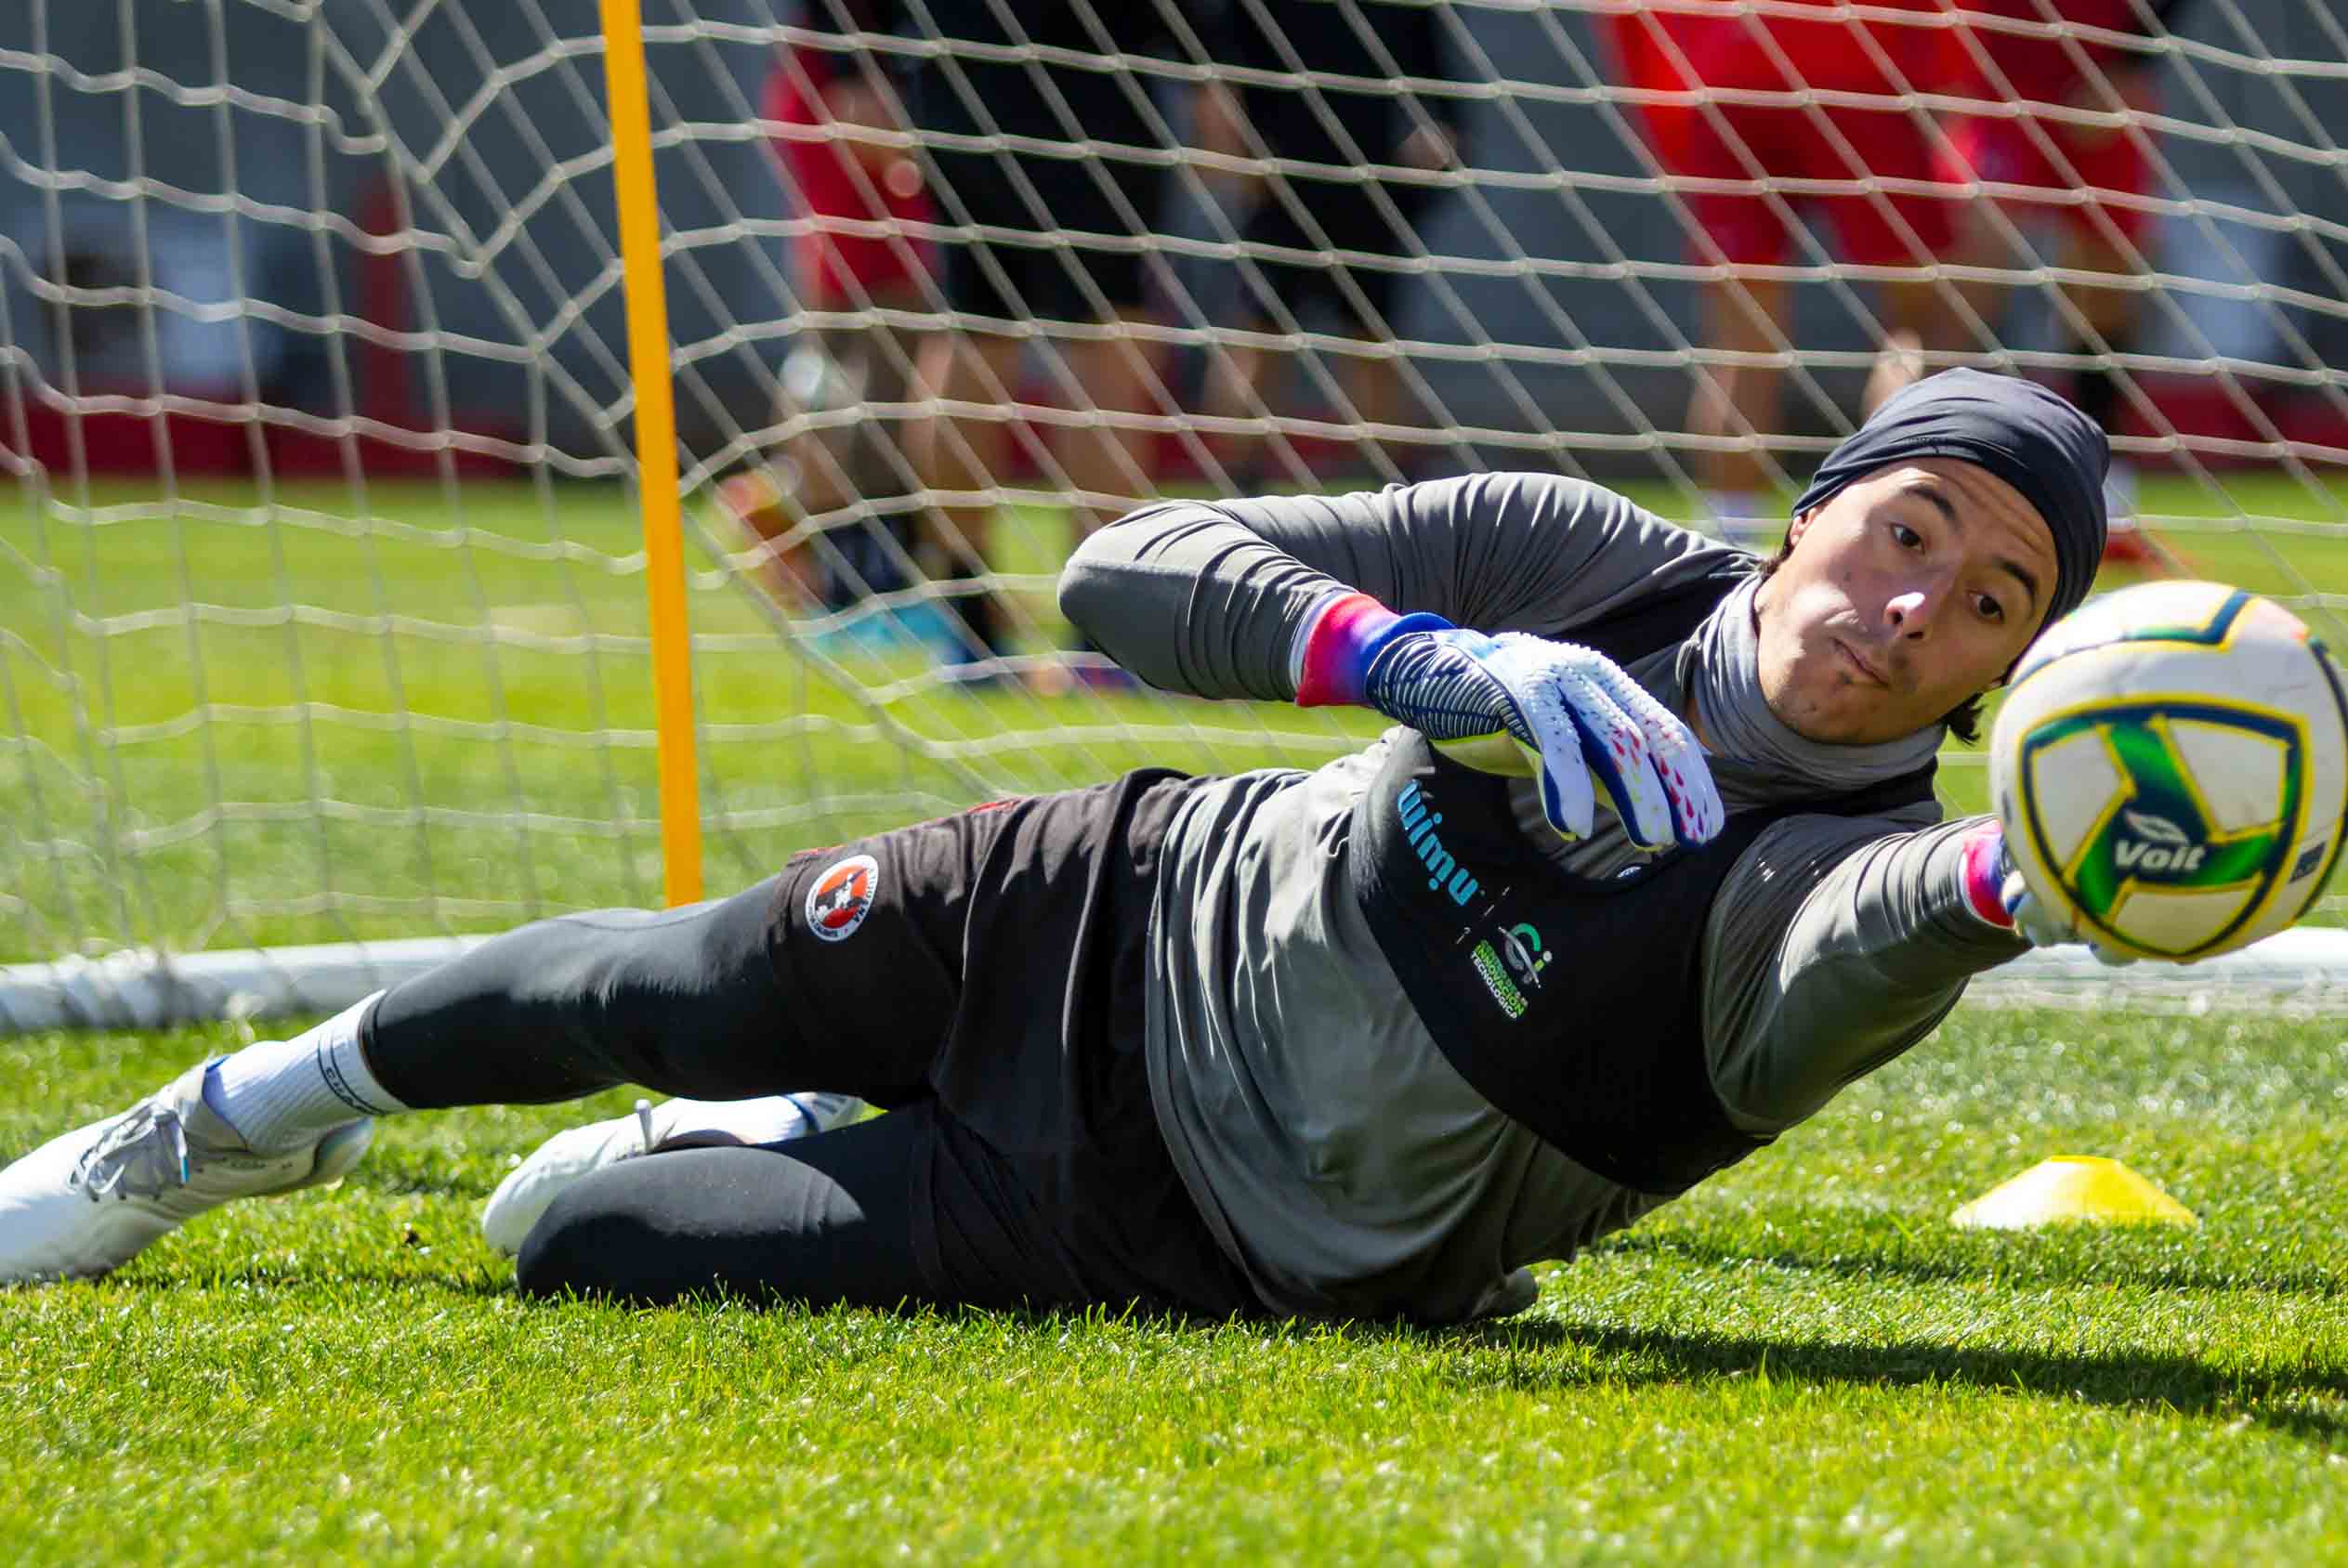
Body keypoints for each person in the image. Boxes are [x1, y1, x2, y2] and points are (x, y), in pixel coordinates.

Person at [1, 371, 2142, 1324]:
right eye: (1906, 528)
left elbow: (1859, 951)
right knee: (644, 985)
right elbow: (1124, 569)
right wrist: (1422, 657)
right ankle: (212, 1125)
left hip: (1160, 1223)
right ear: (1818, 503)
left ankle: (800, 1122)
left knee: (574, 1243)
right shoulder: (1576, 567)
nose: (1901, 608)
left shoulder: (1848, 874)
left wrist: (2026, 881)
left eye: (1984, 603)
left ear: (1998, 681)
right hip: (1106, 897)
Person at [887, 0, 1196, 663]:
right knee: (1106, 339)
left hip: (959, 85)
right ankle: (1099, 629)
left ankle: (968, 623)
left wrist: (852, 65)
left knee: (974, 331)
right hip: (1090, 88)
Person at [1607, 0, 1985, 540]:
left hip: (1724, 78)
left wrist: (1665, 109)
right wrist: (1947, 84)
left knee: (1743, 341)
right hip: (1856, 69)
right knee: (1920, 324)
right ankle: (1899, 522)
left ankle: (1729, 542)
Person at [717, 0, 951, 634]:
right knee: (873, 417)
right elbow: (872, 138)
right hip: (876, 263)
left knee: (833, 408)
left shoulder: (804, 60)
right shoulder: (848, 56)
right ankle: (866, 587)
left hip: (831, 260)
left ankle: (809, 542)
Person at [1949, 0, 2192, 563]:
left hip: (2098, 71)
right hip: (1991, 71)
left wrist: (2127, 65)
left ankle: (2107, 499)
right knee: (1956, 293)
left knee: (2107, 292)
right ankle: (1907, 477)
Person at [1192, 0, 1468, 488]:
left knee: (1371, 340)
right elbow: (1219, 72)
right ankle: (1238, 479)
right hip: (1278, 184)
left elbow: (1439, 87)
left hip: (1372, 185)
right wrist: (1229, 152)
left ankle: (1394, 484)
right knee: (1259, 333)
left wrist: (1438, 140)